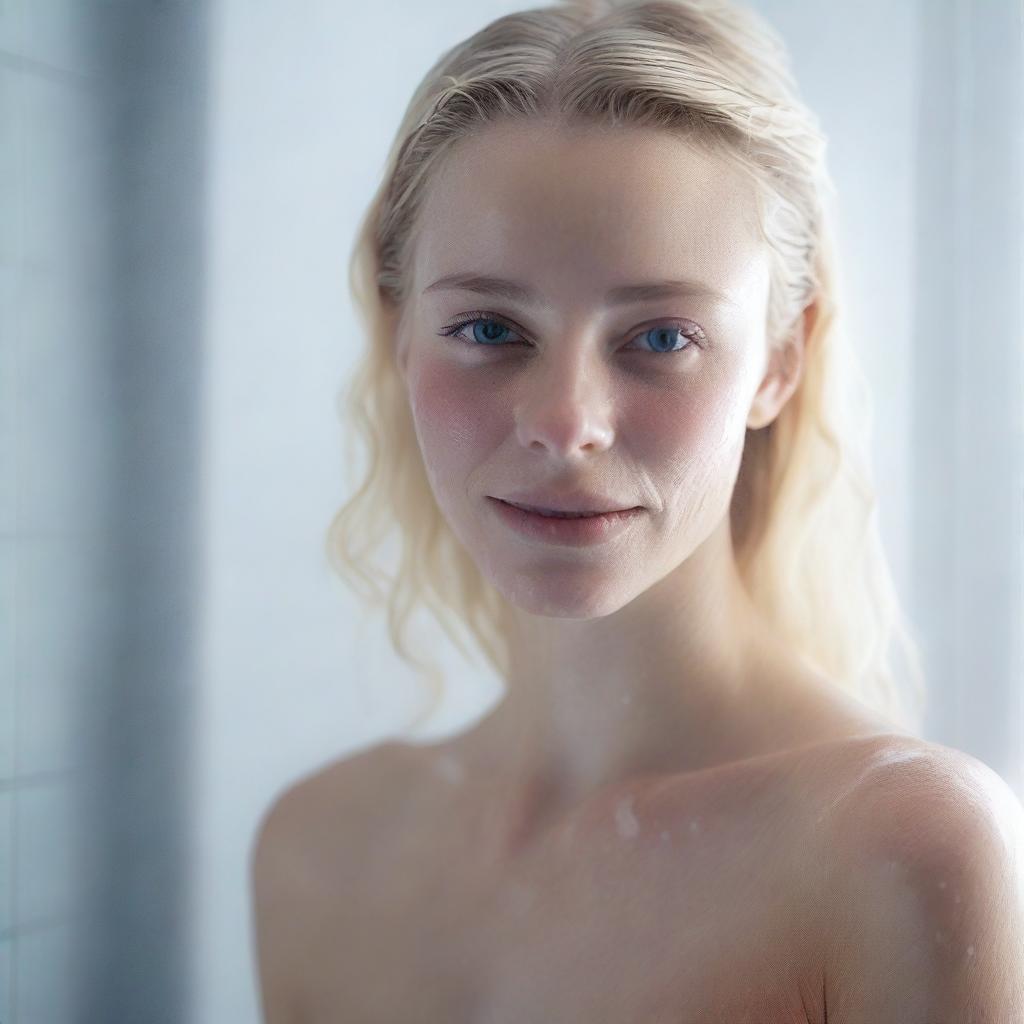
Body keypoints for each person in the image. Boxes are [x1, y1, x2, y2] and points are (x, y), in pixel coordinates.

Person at [251, 1, 1024, 1020]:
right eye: (488, 326)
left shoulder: (900, 848)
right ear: (399, 336)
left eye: (659, 338)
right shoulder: (318, 849)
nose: (566, 422)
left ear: (780, 360)